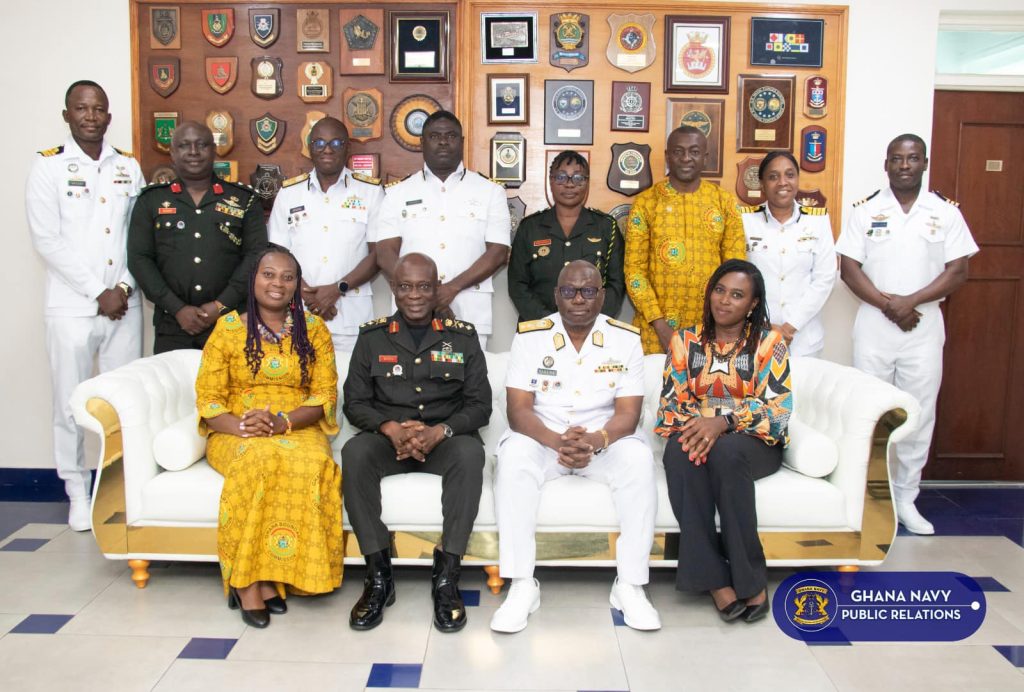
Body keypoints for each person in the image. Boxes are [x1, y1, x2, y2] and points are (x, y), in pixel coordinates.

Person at [491, 260, 659, 633]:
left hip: (605, 438)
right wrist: (558, 442)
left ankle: (630, 585)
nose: (578, 299)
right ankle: (521, 585)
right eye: (569, 291)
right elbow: (518, 411)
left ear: (602, 296)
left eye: (587, 291)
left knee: (638, 458)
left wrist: (596, 442)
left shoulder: (626, 339)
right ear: (557, 295)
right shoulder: (530, 337)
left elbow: (628, 414)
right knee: (515, 456)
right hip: (543, 437)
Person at [341, 253, 492, 633]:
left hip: (444, 440)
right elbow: (355, 403)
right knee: (354, 452)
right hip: (388, 439)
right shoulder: (372, 337)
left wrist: (440, 431)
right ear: (393, 289)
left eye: (424, 286)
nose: (415, 295)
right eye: (405, 286)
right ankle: (378, 576)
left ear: (437, 288)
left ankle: (447, 577)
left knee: (471, 453)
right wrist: (389, 427)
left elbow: (480, 405)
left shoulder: (463, 336)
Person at [836, 134, 978, 535]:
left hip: (924, 324)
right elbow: (849, 270)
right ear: (886, 164)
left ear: (924, 163)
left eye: (912, 158)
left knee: (919, 411)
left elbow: (958, 271)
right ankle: (866, 496)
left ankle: (906, 497)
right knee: (869, 410)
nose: (904, 165)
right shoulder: (865, 211)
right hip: (875, 324)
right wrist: (889, 306)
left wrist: (910, 301)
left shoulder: (945, 212)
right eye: (897, 159)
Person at [195, 244, 342, 629]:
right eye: (269, 274)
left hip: (296, 423)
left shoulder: (314, 329)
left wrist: (281, 423)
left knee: (311, 463)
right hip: (236, 427)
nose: (277, 283)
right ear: (253, 279)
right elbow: (209, 399)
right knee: (257, 459)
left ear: (297, 285)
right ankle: (246, 582)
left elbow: (324, 395)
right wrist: (245, 425)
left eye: (287, 277)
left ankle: (278, 576)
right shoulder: (227, 329)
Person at [26, 80, 145, 530]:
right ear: (67, 115)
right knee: (70, 402)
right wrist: (98, 291)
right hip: (73, 306)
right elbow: (47, 241)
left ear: (109, 116)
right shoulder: (48, 168)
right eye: (81, 108)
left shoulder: (128, 167)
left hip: (123, 305)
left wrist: (124, 289)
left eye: (98, 109)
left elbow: (139, 237)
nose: (91, 116)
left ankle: (120, 487)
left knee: (125, 402)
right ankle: (77, 490)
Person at [656, 259, 792, 624]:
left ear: (752, 304)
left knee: (728, 451)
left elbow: (777, 410)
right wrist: (702, 427)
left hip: (753, 442)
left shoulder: (769, 343)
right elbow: (670, 405)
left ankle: (750, 579)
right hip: (699, 434)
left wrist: (725, 422)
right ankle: (714, 580)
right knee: (678, 453)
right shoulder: (684, 341)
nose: (725, 301)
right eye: (719, 290)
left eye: (737, 295)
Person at [375, 111, 511, 350]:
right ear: (422, 142)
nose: (443, 141)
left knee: (467, 382)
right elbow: (385, 252)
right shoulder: (398, 192)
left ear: (462, 141)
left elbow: (498, 252)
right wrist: (422, 293)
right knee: (408, 381)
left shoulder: (489, 191)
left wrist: (452, 288)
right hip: (411, 309)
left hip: (469, 307)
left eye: (451, 135)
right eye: (435, 136)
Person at [128, 121, 267, 353]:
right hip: (172, 324)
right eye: (184, 145)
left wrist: (219, 306)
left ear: (214, 150)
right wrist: (177, 308)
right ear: (172, 153)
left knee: (231, 390)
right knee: (173, 390)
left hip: (231, 320)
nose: (193, 152)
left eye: (201, 145)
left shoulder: (244, 200)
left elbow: (255, 257)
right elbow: (139, 259)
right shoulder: (150, 200)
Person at [624, 125, 746, 355]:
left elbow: (737, 271)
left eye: (694, 151)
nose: (686, 158)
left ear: (705, 158)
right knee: (654, 390)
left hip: (713, 328)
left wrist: (722, 322)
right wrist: (659, 325)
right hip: (654, 332)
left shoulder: (724, 202)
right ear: (668, 156)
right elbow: (634, 272)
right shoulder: (646, 203)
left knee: (709, 390)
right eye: (678, 151)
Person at [269, 117, 383, 354]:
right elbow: (277, 254)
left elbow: (378, 255)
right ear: (309, 148)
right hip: (298, 314)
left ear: (347, 148)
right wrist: (308, 296)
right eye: (319, 143)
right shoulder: (289, 193)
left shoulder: (371, 192)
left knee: (349, 388)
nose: (327, 149)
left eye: (336, 143)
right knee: (296, 387)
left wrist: (337, 289)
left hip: (351, 317)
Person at [507, 151, 625, 321]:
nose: (569, 184)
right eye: (561, 177)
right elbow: (517, 285)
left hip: (592, 331)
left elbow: (617, 285)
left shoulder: (606, 227)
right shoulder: (530, 227)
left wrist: (589, 322)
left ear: (587, 182)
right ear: (551, 181)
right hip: (538, 330)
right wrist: (549, 323)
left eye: (578, 178)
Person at [740, 151, 837, 357]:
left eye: (790, 175)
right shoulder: (745, 221)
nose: (783, 182)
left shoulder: (818, 220)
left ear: (797, 179)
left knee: (804, 390)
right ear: (762, 183)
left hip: (804, 339)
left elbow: (825, 279)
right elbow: (738, 281)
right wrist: (765, 326)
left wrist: (790, 327)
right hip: (757, 334)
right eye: (773, 176)